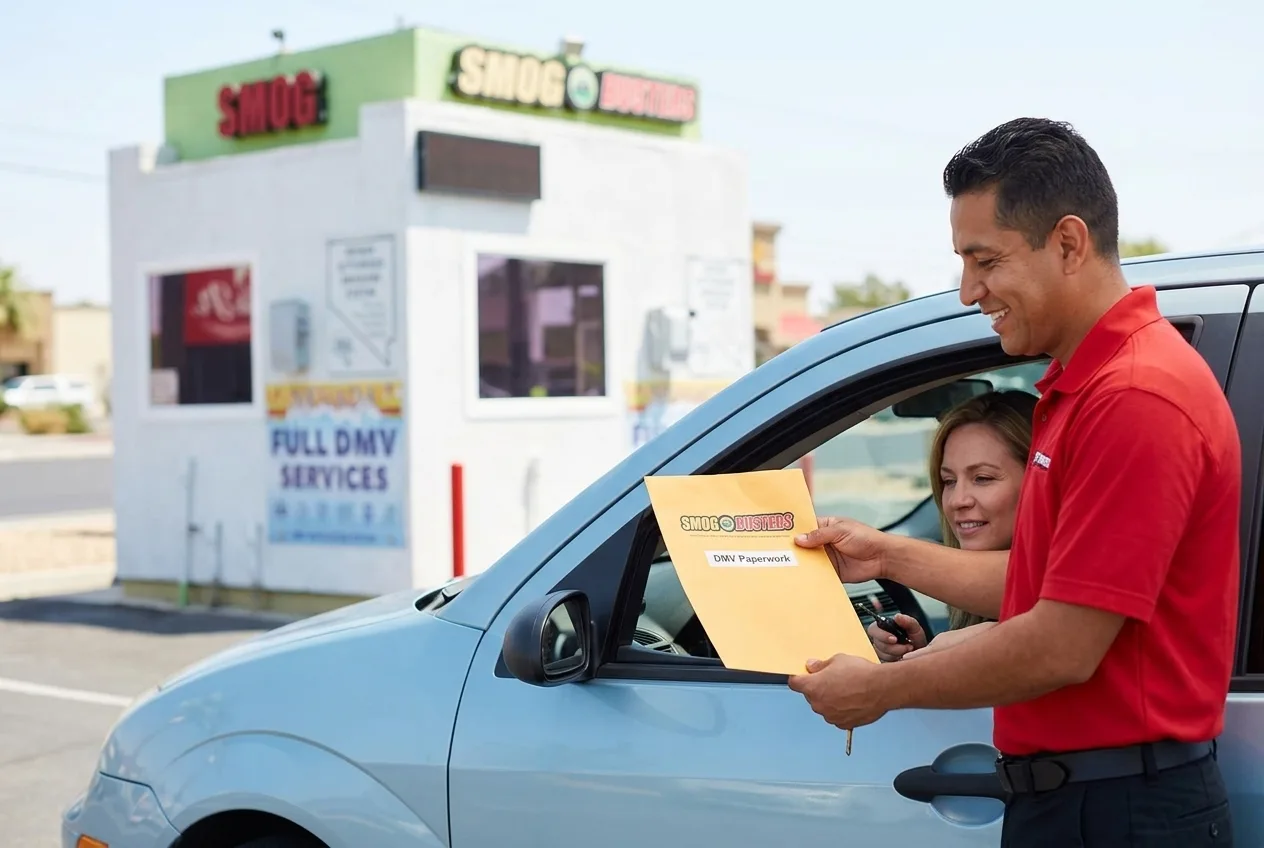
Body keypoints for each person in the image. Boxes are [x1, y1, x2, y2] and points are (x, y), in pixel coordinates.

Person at [788, 117, 1241, 846]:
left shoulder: (1134, 397)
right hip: (1092, 799)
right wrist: (889, 556)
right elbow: (1047, 590)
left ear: (1067, 242)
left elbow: (1062, 644)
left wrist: (881, 690)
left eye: (986, 260)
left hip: (1118, 810)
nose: (970, 291)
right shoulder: (1082, 388)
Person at [870, 389, 1036, 662]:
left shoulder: (1068, 613)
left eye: (982, 478)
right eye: (948, 481)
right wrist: (920, 654)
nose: (958, 501)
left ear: (1039, 480)